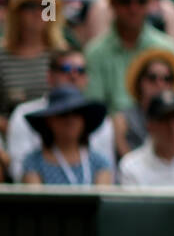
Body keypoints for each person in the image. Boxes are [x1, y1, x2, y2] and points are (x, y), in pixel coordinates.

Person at [84, 0, 174, 114]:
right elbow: (95, 107)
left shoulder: (167, 48)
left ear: (149, 4)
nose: (133, 8)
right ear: (113, 4)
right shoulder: (95, 53)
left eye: (141, 1)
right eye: (125, 1)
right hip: (112, 130)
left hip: (159, 126)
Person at [7, 47, 116, 180]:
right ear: (50, 76)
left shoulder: (103, 123)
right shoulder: (23, 113)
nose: (74, 76)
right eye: (66, 69)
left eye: (81, 71)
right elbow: (18, 172)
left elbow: (108, 173)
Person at [1, 0, 67, 119]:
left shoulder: (62, 53)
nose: (38, 12)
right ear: (16, 12)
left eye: (45, 5)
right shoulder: (2, 56)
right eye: (29, 6)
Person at [19, 86, 112, 185]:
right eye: (63, 114)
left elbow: (101, 196)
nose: (70, 121)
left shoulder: (99, 162)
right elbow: (35, 198)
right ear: (49, 120)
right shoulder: (34, 162)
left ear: (84, 120)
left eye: (77, 113)